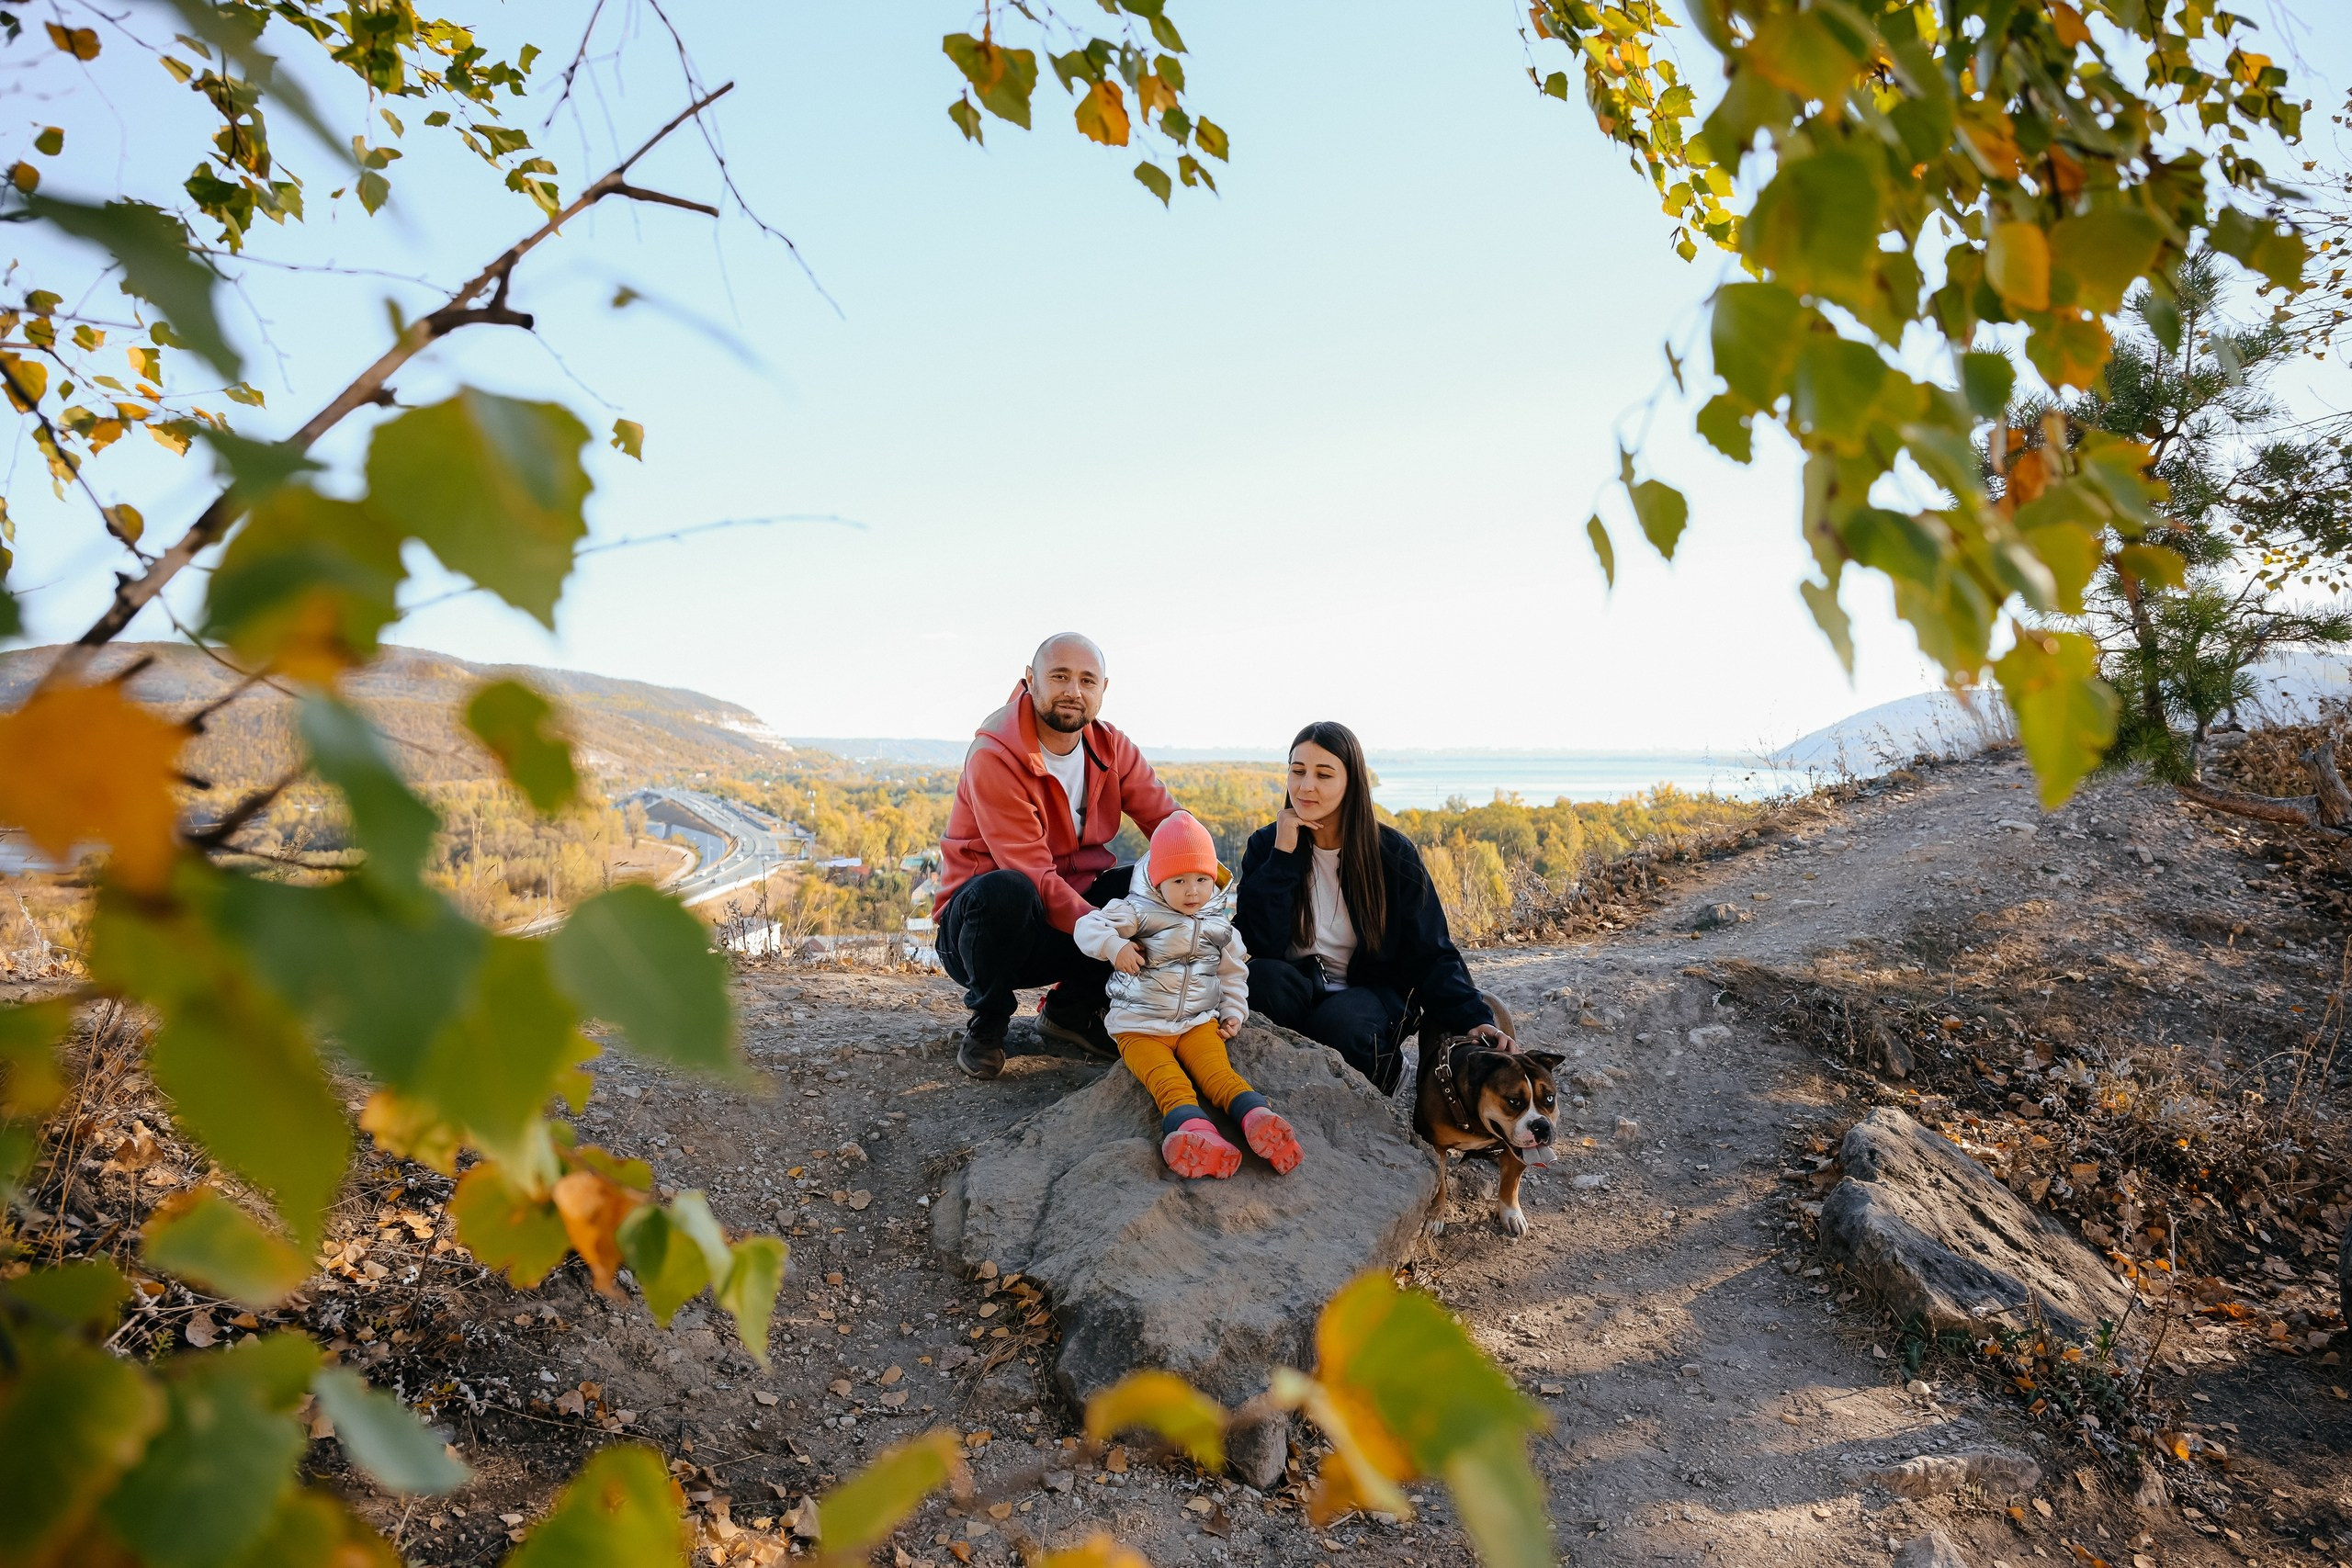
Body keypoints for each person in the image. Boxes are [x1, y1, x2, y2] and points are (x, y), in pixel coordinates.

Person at [935, 634, 1181, 1079]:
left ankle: (1071, 1012)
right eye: (1060, 676)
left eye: (1087, 680)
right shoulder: (995, 754)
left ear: (1103, 689)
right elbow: (1029, 868)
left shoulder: (1112, 749)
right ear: (1031, 680)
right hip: (984, 935)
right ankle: (987, 1025)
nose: (1074, 690)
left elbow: (1170, 826)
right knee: (1008, 889)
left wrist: (1207, 885)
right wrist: (1105, 935)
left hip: (1067, 925)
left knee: (1152, 883)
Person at [1236, 720, 1512, 1094]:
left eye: (1324, 774)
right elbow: (1256, 942)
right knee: (1260, 981)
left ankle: (1387, 1070)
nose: (1306, 786)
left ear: (1351, 781)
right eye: (1297, 771)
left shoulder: (1392, 854)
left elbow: (1430, 948)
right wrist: (1283, 858)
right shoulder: (1268, 845)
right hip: (1299, 987)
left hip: (1373, 994)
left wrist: (1473, 1016)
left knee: (1340, 1024)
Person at [1073, 811, 1304, 1179]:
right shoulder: (1138, 911)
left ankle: (1258, 1119)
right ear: (1158, 880)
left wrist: (1233, 1010)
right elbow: (1087, 927)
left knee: (1219, 1075)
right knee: (1170, 1082)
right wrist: (1115, 947)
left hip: (1197, 1022)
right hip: (1140, 1026)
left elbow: (1232, 973)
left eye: (1201, 879)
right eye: (1178, 880)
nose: (1192, 890)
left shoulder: (1218, 924)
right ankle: (1196, 1136)